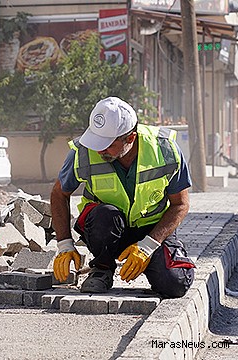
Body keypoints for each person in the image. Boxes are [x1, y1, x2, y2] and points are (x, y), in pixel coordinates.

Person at [50, 97, 195, 298]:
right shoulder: (83, 152)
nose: (99, 149)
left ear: (130, 138)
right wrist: (64, 244)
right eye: (96, 140)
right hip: (107, 227)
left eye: (107, 144)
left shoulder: (165, 150)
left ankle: (148, 262)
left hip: (152, 229)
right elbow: (59, 194)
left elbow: (180, 204)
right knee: (104, 215)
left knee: (175, 284)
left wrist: (148, 247)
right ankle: (102, 268)